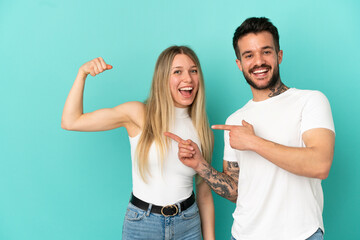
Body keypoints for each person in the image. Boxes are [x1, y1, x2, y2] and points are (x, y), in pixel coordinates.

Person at [165, 17, 335, 240]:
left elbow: (320, 164)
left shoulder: (310, 101)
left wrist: (254, 142)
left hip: (300, 235)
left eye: (266, 52)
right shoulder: (235, 120)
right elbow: (236, 189)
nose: (258, 62)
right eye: (249, 55)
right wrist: (200, 165)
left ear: (279, 55)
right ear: (239, 64)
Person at [61, 46, 215, 240]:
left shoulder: (203, 129)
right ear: (162, 78)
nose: (188, 79)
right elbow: (70, 121)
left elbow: (205, 194)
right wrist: (81, 74)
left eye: (194, 71)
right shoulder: (139, 113)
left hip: (188, 225)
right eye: (178, 71)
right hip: (143, 224)